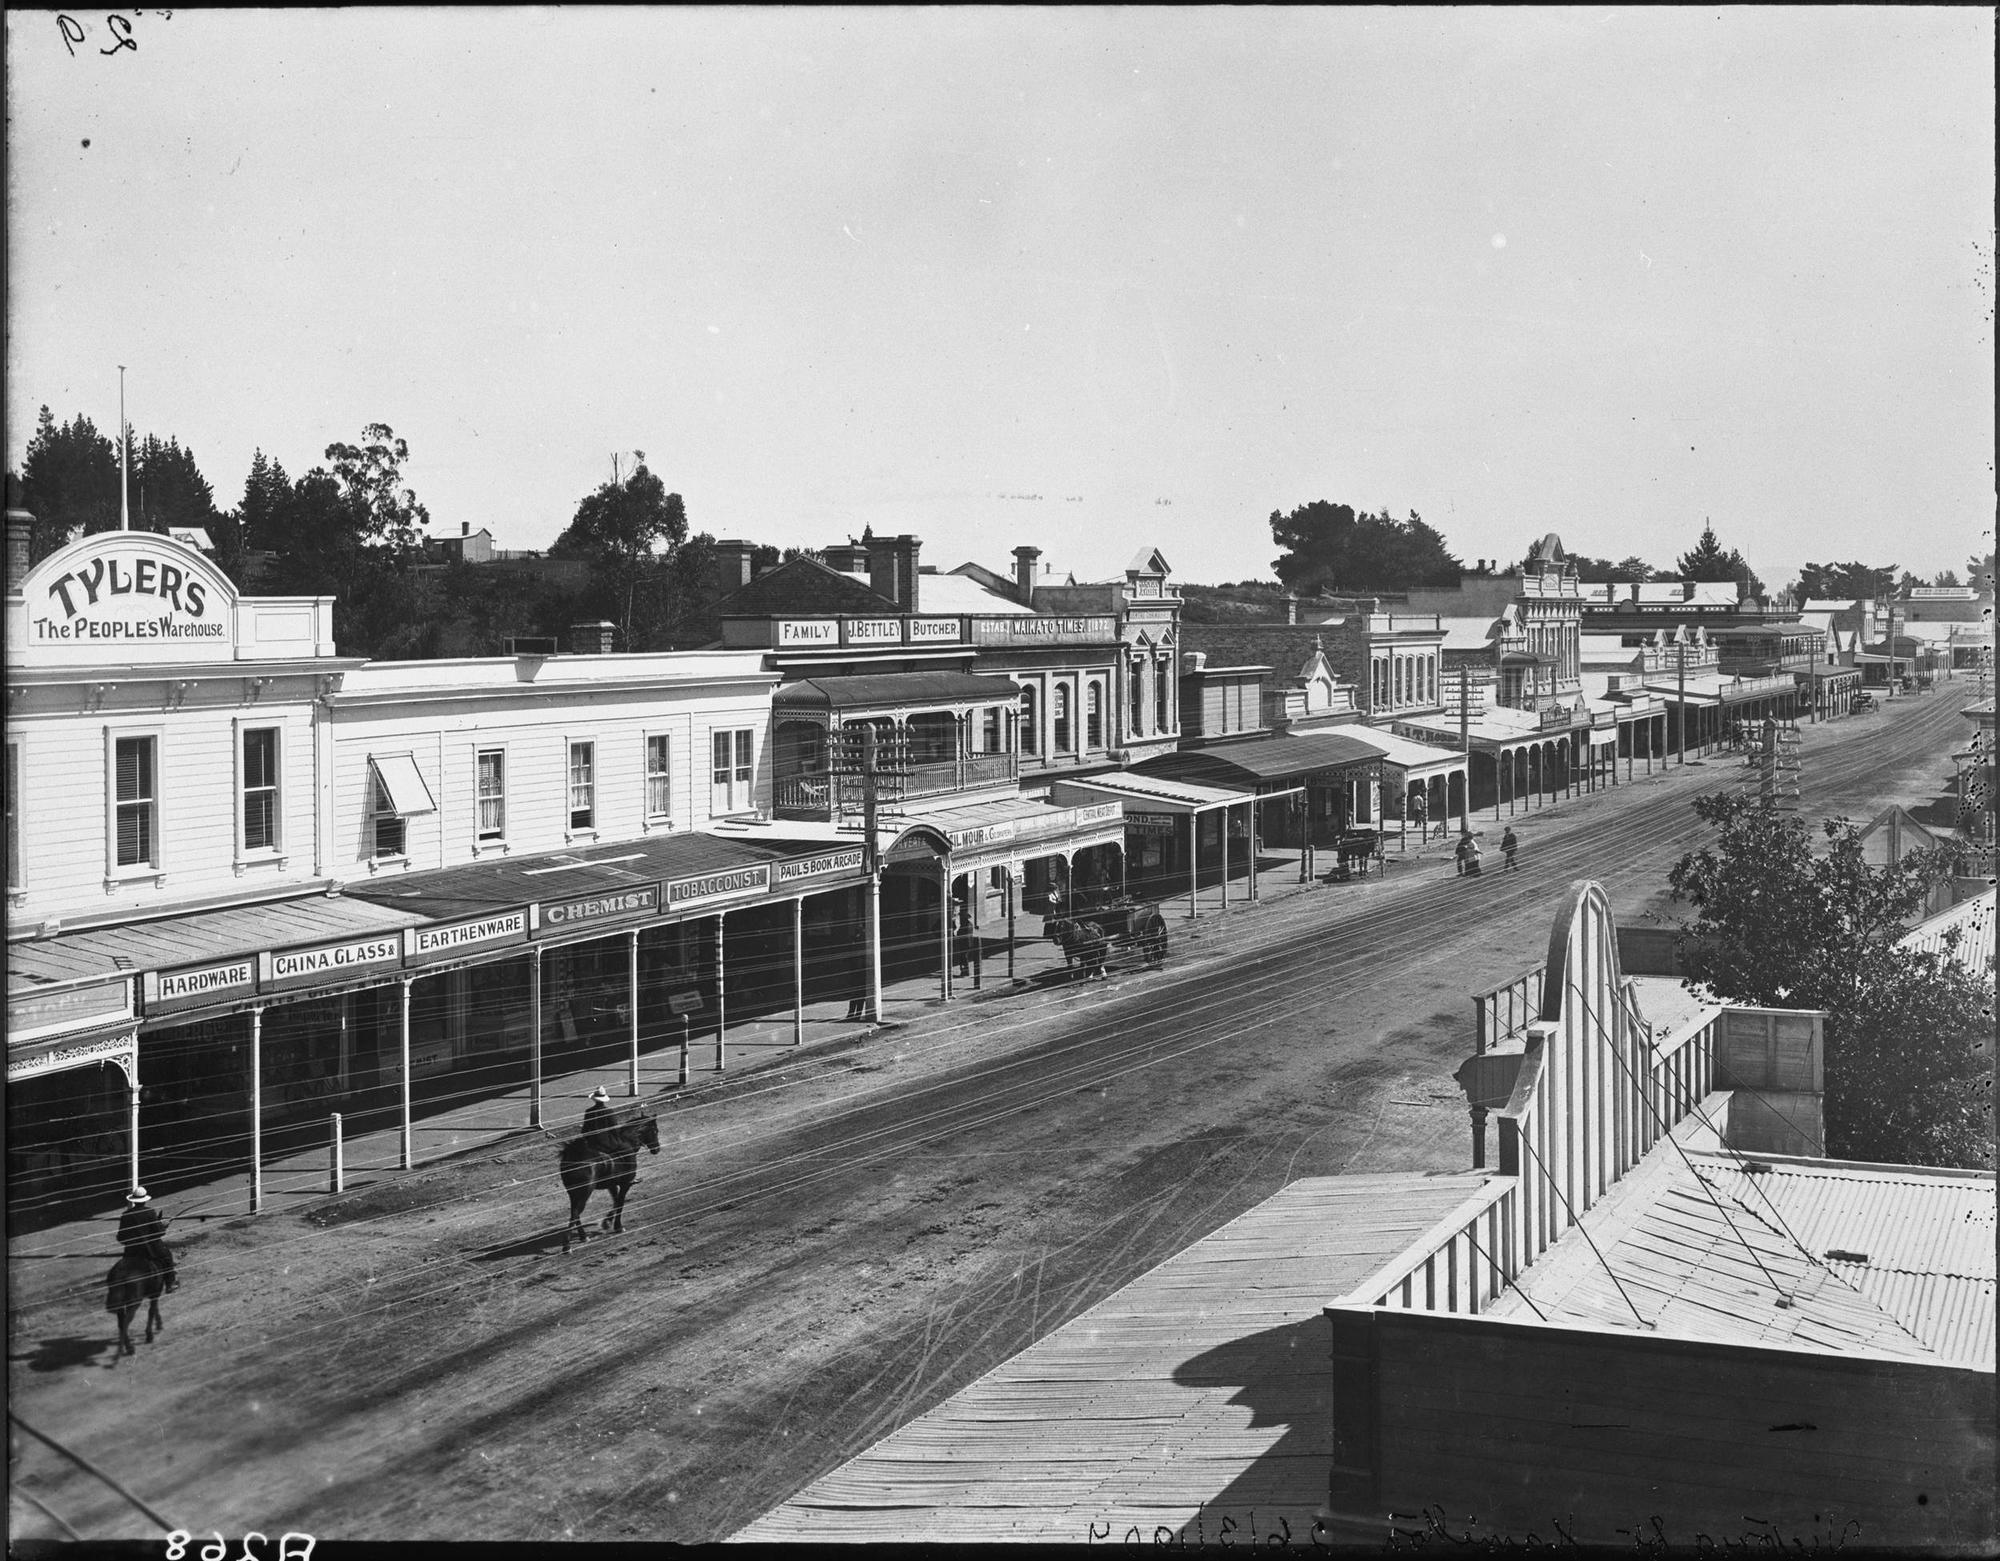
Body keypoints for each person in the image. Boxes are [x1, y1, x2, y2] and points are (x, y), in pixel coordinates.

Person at [117, 1186, 176, 1293]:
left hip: (132, 1250)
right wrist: (163, 1225)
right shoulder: (150, 1212)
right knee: (167, 1257)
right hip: (151, 1248)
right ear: (145, 1200)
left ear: (133, 1201)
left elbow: (120, 1237)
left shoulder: (125, 1215)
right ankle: (170, 1284)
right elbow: (159, 1232)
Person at [581, 1086, 618, 1150]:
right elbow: (614, 1127)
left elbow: (585, 1129)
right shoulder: (609, 1111)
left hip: (592, 1142)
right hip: (607, 1142)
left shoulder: (589, 1111)